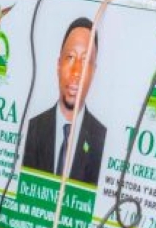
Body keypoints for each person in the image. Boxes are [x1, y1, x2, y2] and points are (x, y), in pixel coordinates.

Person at [22, 17, 107, 186]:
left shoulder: (101, 139)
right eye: (70, 57)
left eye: (85, 61)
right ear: (58, 64)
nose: (76, 72)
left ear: (94, 72)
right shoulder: (32, 129)